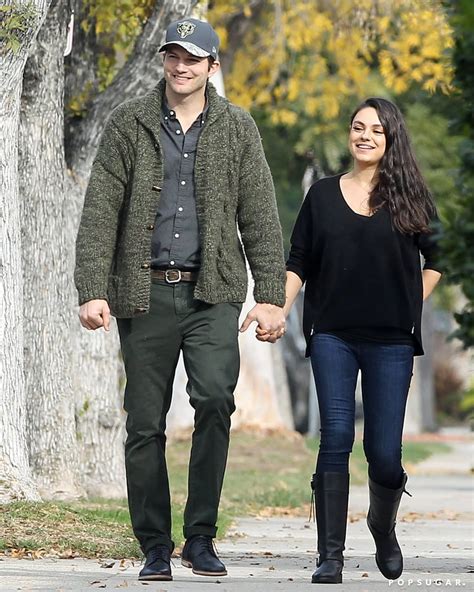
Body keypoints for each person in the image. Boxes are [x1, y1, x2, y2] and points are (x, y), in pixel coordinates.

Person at [75, 17, 286, 582]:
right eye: (173, 55)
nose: (181, 66)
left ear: (212, 67)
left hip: (212, 293)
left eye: (193, 58)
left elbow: (261, 218)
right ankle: (153, 544)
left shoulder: (238, 129)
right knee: (144, 422)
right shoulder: (130, 122)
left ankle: (199, 538)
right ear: (164, 61)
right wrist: (92, 288)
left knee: (216, 401)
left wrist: (270, 297)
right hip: (143, 293)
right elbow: (101, 210)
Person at [260, 97, 442, 584]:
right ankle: (331, 556)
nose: (364, 136)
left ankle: (382, 524)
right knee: (336, 437)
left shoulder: (412, 196)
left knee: (384, 454)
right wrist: (279, 306)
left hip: (391, 341)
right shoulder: (320, 195)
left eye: (375, 130)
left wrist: (410, 305)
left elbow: (438, 260)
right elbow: (298, 260)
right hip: (333, 335)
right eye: (357, 127)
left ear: (390, 139)